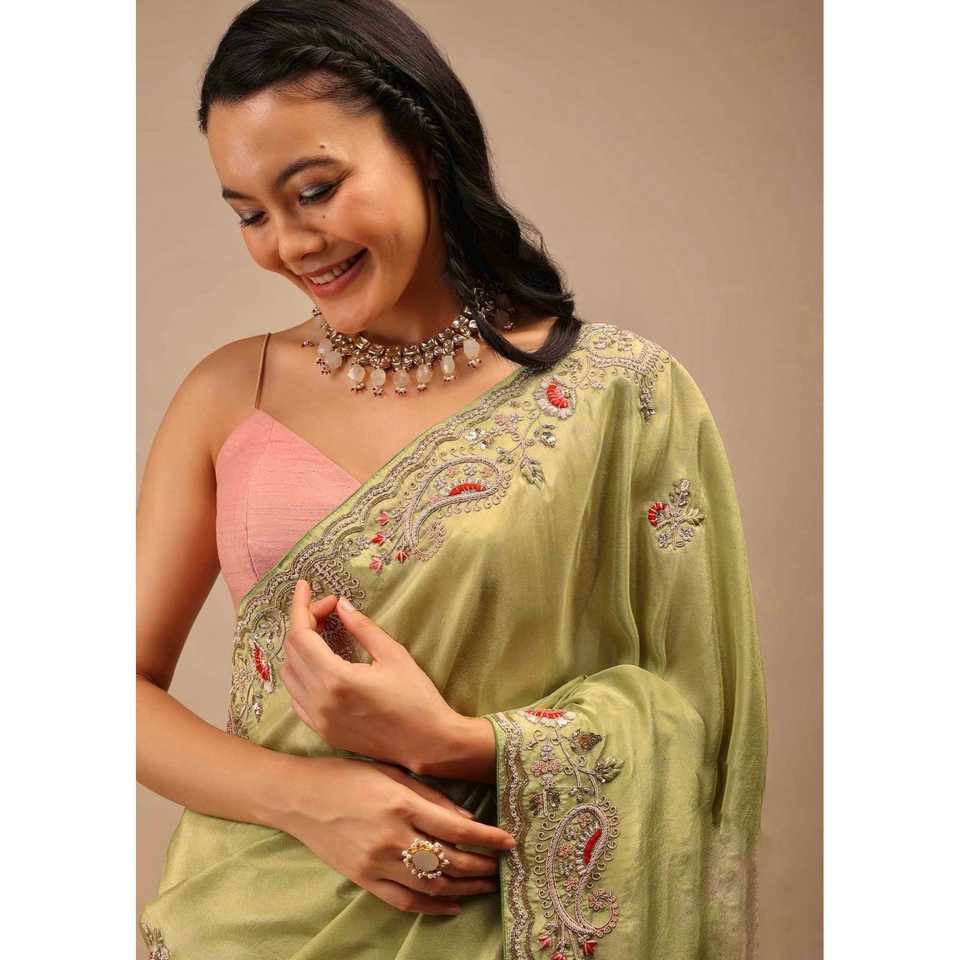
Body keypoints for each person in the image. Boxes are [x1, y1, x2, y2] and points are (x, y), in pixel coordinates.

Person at [136, 1, 769, 957]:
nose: (291, 244)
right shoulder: (229, 393)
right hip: (248, 925)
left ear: (425, 145)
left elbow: (697, 715)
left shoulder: (619, 395)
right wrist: (311, 799)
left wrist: (456, 745)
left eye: (316, 189)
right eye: (252, 215)